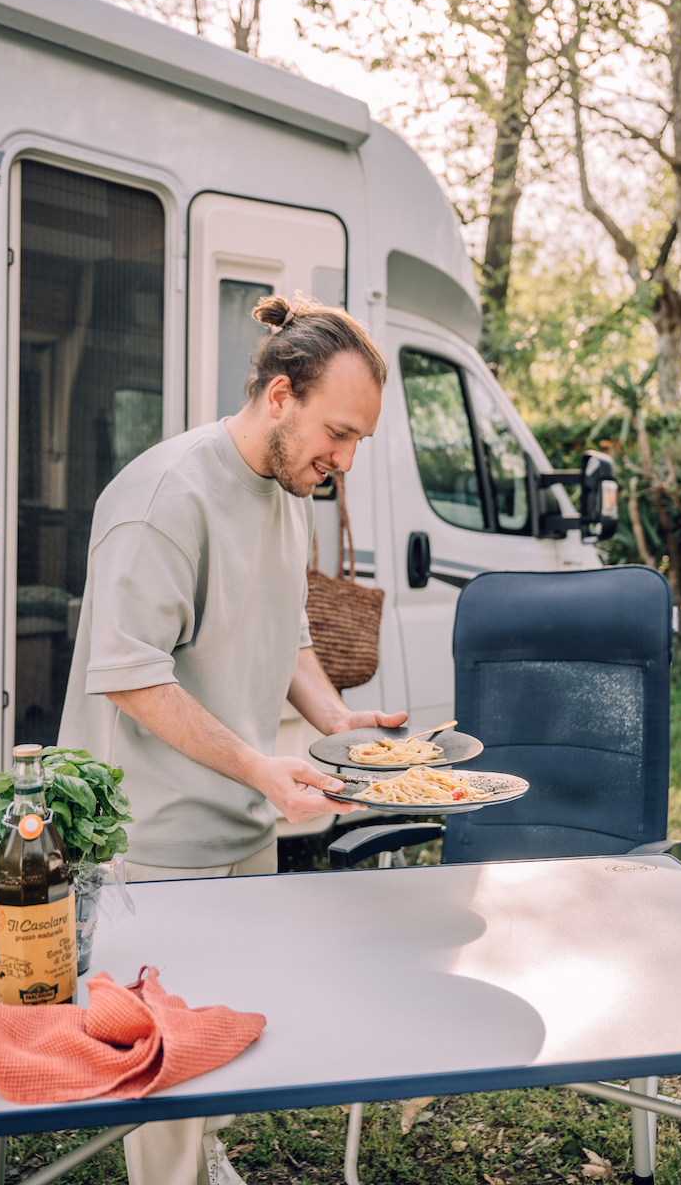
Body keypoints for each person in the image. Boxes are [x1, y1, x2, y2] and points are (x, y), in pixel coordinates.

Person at [58, 293, 407, 1185]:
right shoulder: (165, 496)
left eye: (359, 440)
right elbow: (130, 676)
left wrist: (335, 720)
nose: (346, 460)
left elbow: (286, 631)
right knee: (162, 1059)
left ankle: (200, 1147)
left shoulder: (288, 489)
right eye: (339, 433)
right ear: (281, 395)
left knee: (219, 1027)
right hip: (152, 837)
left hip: (243, 817)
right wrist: (259, 766)